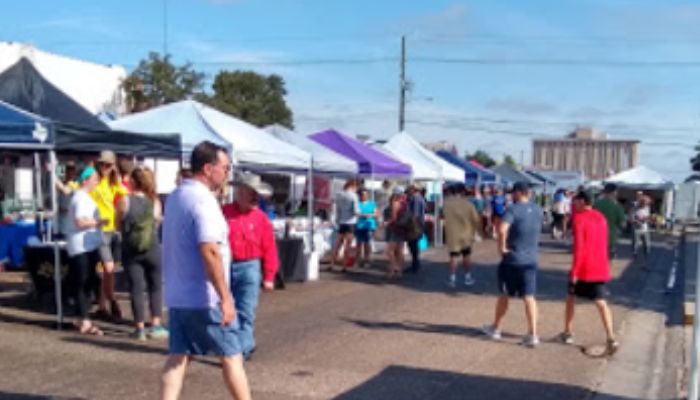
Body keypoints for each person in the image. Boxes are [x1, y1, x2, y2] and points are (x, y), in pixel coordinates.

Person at [160, 141, 251, 400]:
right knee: (232, 357)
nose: (227, 173)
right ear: (208, 168)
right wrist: (225, 297)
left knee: (178, 358)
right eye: (225, 167)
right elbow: (209, 250)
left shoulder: (177, 196)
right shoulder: (203, 201)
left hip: (179, 295)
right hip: (205, 297)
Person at [222, 172, 279, 362]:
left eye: (257, 194)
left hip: (250, 266)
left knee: (246, 310)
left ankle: (242, 349)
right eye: (252, 193)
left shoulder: (261, 219)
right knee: (226, 310)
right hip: (226, 266)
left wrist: (269, 276)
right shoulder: (224, 212)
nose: (256, 198)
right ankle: (234, 347)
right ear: (240, 192)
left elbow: (269, 248)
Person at [481, 182, 544, 347]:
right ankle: (533, 334)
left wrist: (502, 248)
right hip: (531, 259)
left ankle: (496, 329)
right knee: (529, 297)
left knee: (504, 294)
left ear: (517, 193)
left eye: (512, 193)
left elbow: (502, 229)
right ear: (528, 193)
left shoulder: (513, 209)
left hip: (513, 259)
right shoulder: (538, 210)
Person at [560, 191, 619, 355]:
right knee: (601, 301)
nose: (574, 203)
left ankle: (568, 332)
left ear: (583, 201)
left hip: (584, 267)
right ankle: (611, 336)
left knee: (571, 297)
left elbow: (579, 248)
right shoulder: (601, 218)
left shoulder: (579, 219)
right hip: (599, 265)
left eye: (576, 200)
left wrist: (574, 271)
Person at [117, 166, 167, 341]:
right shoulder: (155, 201)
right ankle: (156, 325)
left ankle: (139, 328)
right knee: (155, 286)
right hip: (152, 247)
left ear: (133, 182)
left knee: (136, 288)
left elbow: (119, 224)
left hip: (131, 249)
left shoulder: (124, 200)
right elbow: (157, 223)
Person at [66, 166, 107, 335]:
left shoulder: (83, 197)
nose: (97, 182)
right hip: (82, 247)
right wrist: (99, 223)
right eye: (95, 179)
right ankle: (85, 321)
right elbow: (80, 222)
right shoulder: (81, 198)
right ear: (85, 180)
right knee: (84, 283)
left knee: (85, 282)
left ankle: (80, 317)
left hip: (86, 246)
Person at [91, 150, 128, 321]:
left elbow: (125, 198)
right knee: (108, 268)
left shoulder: (114, 183)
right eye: (102, 164)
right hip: (99, 230)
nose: (104, 167)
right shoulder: (94, 180)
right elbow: (73, 188)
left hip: (113, 230)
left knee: (108, 271)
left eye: (108, 165)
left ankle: (102, 305)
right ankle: (113, 301)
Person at [443, 183, 482, 288]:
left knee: (453, 257)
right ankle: (468, 277)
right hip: (466, 234)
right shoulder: (468, 204)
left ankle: (452, 278)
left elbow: (441, 216)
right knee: (466, 256)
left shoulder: (446, 203)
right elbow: (476, 220)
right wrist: (477, 232)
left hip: (452, 234)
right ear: (463, 191)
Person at [330, 179, 360, 270]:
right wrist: (366, 214)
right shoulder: (354, 196)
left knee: (338, 244)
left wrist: (338, 220)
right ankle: (344, 265)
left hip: (342, 222)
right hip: (351, 222)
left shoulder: (339, 195)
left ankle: (332, 264)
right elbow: (356, 211)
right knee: (348, 245)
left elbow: (337, 210)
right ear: (353, 186)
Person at [593, 184, 627, 259]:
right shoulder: (617, 206)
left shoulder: (596, 204)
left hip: (596, 237)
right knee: (608, 260)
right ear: (614, 192)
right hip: (611, 238)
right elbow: (623, 224)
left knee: (597, 259)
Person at [384, 187, 408, 279]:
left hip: (395, 229)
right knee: (400, 251)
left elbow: (393, 218)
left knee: (390, 251)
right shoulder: (405, 203)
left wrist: (386, 222)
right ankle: (400, 271)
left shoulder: (396, 203)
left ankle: (394, 268)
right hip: (402, 229)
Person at [355, 188, 378, 267]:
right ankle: (357, 261)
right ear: (360, 196)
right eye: (363, 195)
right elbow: (356, 214)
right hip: (359, 226)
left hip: (369, 226)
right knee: (358, 244)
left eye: (366, 194)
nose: (365, 196)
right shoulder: (357, 204)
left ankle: (366, 260)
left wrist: (370, 215)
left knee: (367, 244)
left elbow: (376, 214)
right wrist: (364, 215)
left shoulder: (372, 203)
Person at [406, 183, 426, 273]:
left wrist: (412, 225)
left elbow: (415, 214)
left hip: (415, 225)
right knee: (413, 245)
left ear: (414, 189)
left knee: (413, 245)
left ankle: (415, 265)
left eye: (409, 189)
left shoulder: (415, 198)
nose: (408, 191)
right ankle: (415, 264)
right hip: (418, 224)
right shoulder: (419, 197)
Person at [56, 161, 79, 237]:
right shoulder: (61, 185)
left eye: (72, 170)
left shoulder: (76, 184)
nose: (70, 173)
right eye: (68, 170)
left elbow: (66, 191)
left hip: (71, 226)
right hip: (59, 225)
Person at [631, 194, 652, 261]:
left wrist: (647, 219)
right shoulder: (634, 208)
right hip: (636, 229)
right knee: (635, 244)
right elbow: (631, 219)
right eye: (644, 204)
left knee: (647, 244)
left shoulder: (647, 208)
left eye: (647, 204)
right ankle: (635, 256)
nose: (645, 205)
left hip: (645, 229)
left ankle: (647, 257)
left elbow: (647, 217)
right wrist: (637, 221)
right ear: (641, 202)